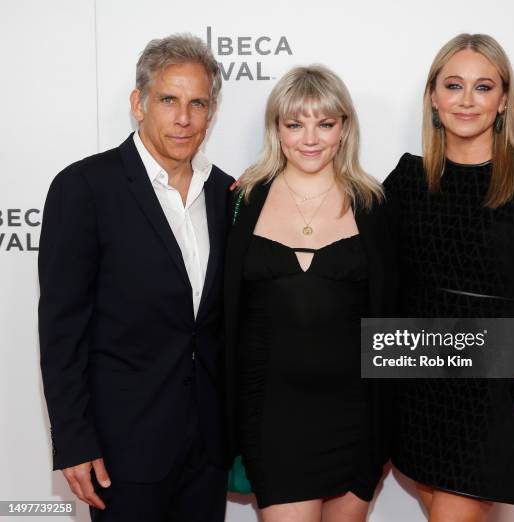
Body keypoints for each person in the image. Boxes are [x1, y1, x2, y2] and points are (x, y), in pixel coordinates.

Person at [383, 34, 514, 521]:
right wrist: (267, 185)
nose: (467, 100)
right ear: (433, 96)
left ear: (503, 101)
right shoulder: (407, 181)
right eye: (453, 85)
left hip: (490, 384)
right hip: (415, 378)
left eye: (483, 87)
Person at [38, 33, 233, 522]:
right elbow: (62, 330)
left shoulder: (227, 194)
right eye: (169, 99)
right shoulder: (84, 188)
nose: (184, 118)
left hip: (207, 448)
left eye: (197, 103)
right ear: (139, 103)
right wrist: (74, 439)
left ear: (212, 112)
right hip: (121, 449)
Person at [224, 65, 396, 522]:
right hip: (272, 417)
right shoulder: (242, 200)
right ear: (276, 130)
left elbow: (394, 310)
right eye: (294, 124)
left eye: (325, 123)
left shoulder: (373, 203)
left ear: (344, 129)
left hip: (356, 417)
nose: (310, 138)